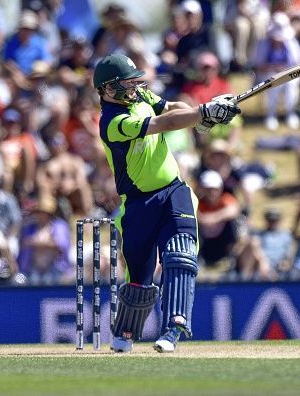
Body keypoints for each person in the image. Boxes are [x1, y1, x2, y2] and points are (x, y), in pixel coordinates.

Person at [93, 53, 240, 353]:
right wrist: (202, 111)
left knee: (181, 254)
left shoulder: (140, 96)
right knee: (139, 282)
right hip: (137, 205)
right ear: (108, 89)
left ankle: (174, 326)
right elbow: (164, 123)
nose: (134, 86)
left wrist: (204, 118)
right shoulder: (114, 122)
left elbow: (172, 108)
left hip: (173, 190)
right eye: (126, 83)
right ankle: (125, 332)